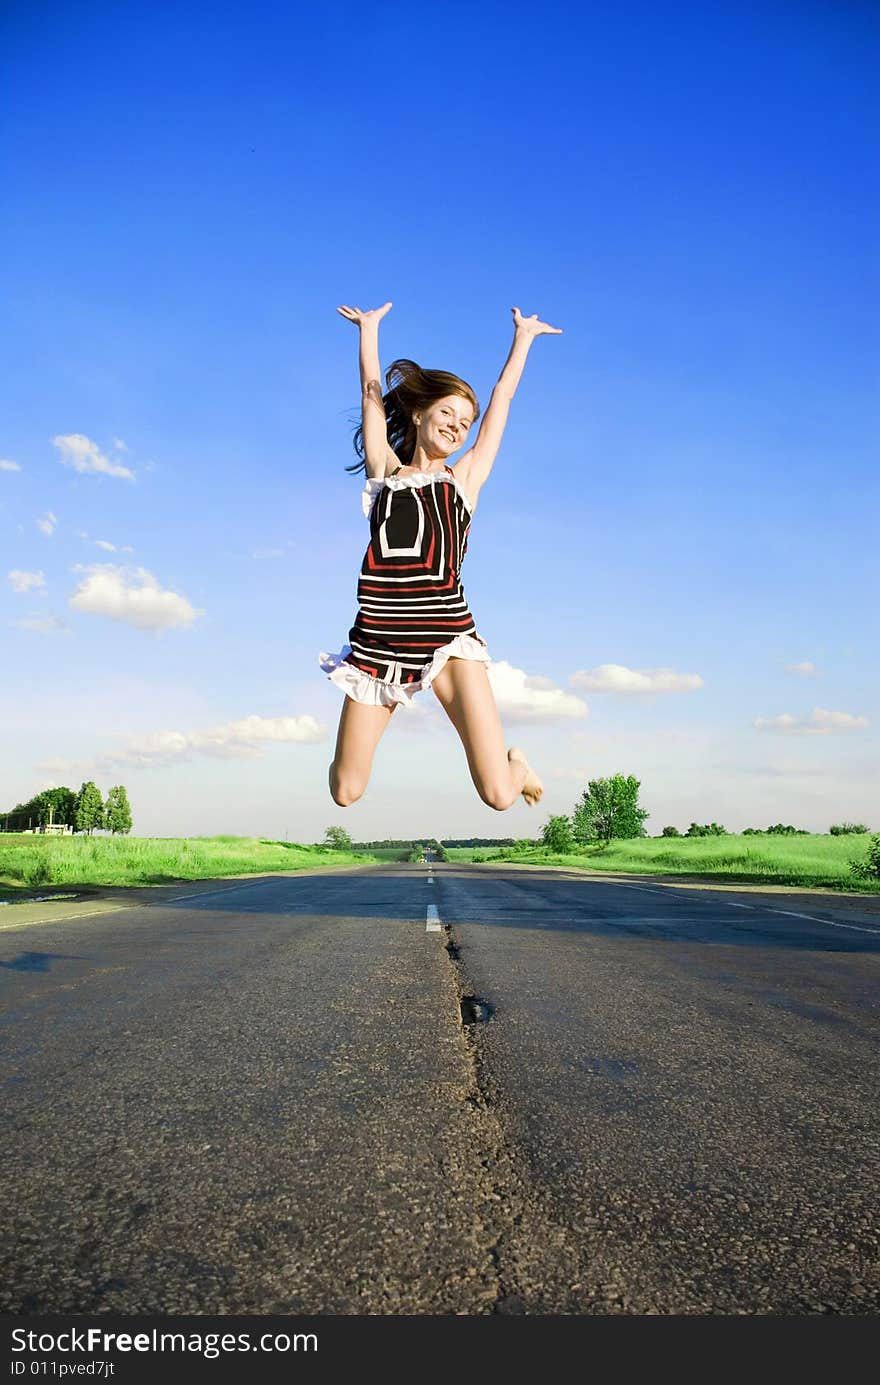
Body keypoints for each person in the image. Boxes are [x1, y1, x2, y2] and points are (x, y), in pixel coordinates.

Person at [319, 300, 562, 811]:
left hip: (446, 637)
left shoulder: (464, 481)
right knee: (345, 790)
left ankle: (516, 764)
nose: (457, 425)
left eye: (465, 421)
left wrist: (522, 340)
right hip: (378, 643)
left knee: (499, 795)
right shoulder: (384, 473)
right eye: (447, 412)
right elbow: (369, 396)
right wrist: (368, 332)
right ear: (418, 413)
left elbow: (503, 401)